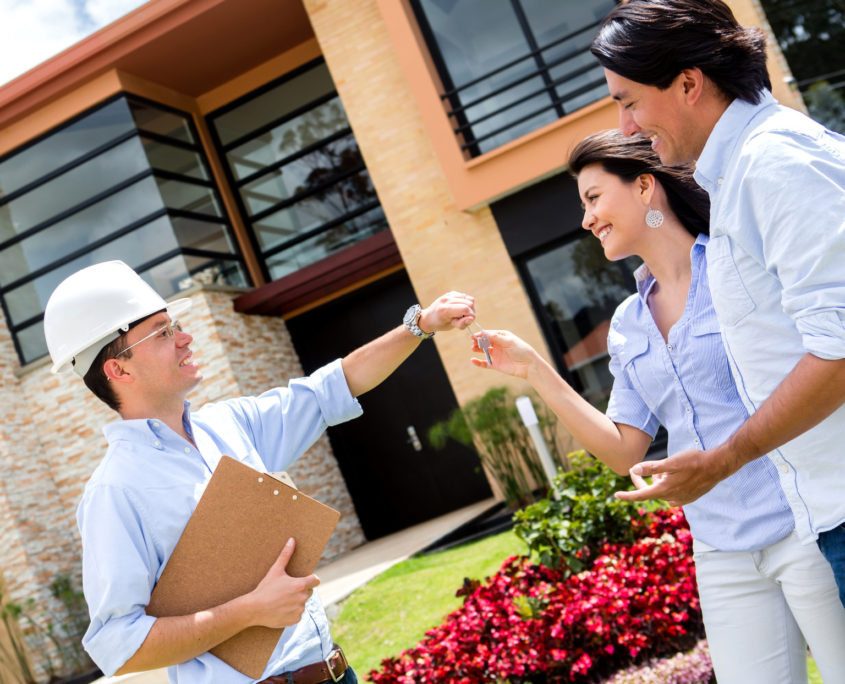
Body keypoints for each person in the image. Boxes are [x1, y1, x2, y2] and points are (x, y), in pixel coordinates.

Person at [471, 130, 845, 683]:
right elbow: (625, 451)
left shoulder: (736, 268)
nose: (586, 219)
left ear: (645, 186)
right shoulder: (628, 322)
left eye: (594, 198)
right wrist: (534, 369)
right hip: (721, 551)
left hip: (806, 525)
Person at [43, 260, 476, 684]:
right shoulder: (115, 491)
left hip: (336, 673)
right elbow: (117, 643)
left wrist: (420, 325)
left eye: (175, 325)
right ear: (118, 369)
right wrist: (248, 611)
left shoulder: (229, 424)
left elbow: (331, 389)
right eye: (164, 332)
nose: (185, 338)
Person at [589, 0, 845, 604]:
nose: (626, 128)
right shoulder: (738, 176)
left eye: (628, 101)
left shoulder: (774, 164)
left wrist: (725, 459)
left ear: (687, 84)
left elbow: (838, 347)